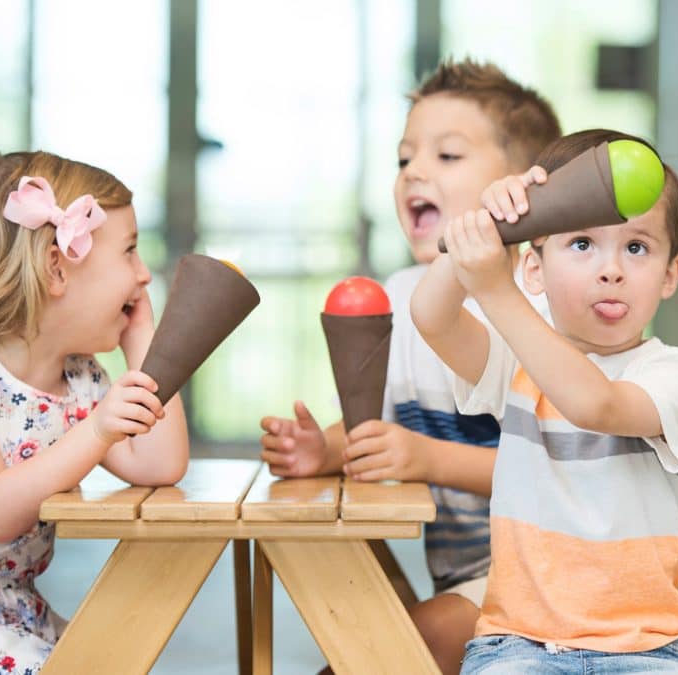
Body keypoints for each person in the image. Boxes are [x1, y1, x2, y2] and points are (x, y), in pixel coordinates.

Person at [259, 58, 560, 674]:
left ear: (523, 189)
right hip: (468, 580)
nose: (414, 171)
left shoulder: (545, 307)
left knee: (388, 650)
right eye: (404, 158)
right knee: (362, 627)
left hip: (551, 588)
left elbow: (559, 468)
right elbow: (388, 427)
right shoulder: (398, 297)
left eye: (448, 156)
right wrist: (328, 451)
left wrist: (427, 459)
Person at [410, 129, 678, 674]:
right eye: (581, 244)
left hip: (648, 649)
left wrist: (497, 291)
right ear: (534, 268)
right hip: (517, 645)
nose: (611, 269)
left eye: (636, 247)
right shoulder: (513, 360)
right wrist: (488, 227)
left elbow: (596, 405)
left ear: (670, 275)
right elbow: (432, 317)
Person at [0, 149, 189, 673]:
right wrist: (98, 430)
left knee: (110, 659)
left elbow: (159, 466)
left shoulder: (79, 378)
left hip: (15, 611)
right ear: (56, 267)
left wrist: (144, 338)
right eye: (129, 252)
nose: (144, 274)